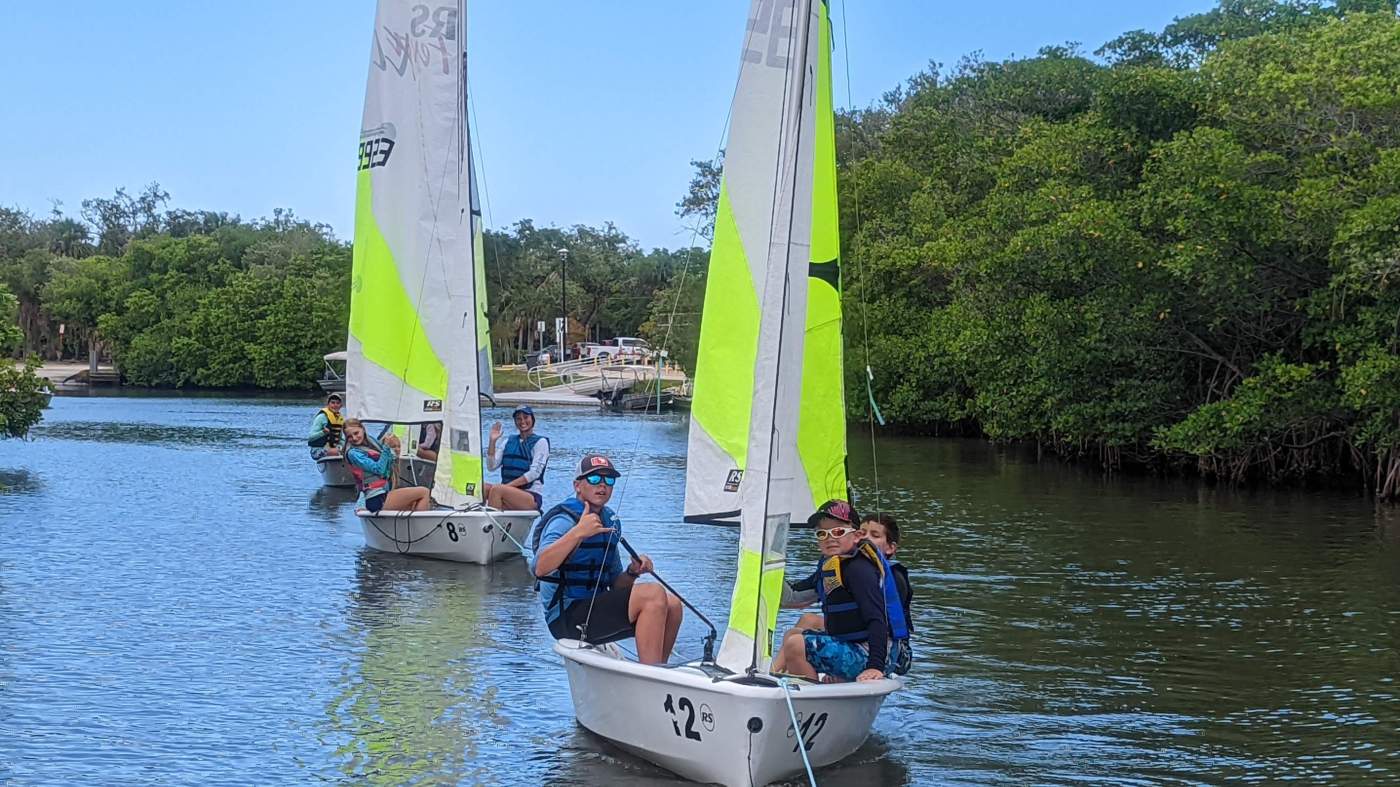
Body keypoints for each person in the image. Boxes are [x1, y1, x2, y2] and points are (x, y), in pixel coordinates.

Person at [529, 454, 683, 665]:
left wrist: (632, 572)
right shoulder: (563, 521)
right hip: (566, 617)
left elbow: (615, 586)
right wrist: (578, 533)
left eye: (608, 480)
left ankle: (658, 671)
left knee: (673, 604)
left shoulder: (609, 522)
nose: (602, 485)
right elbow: (539, 567)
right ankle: (651, 675)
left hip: (594, 610)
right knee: (652, 594)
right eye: (593, 479)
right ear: (577, 485)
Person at [772, 499, 910, 682]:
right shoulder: (832, 566)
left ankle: (814, 700)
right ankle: (771, 677)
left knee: (796, 645)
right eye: (822, 534)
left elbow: (877, 618)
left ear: (856, 536)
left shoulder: (858, 569)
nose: (830, 538)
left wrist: (875, 666)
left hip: (874, 654)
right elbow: (792, 597)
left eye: (838, 532)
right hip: (852, 644)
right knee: (793, 635)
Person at [342, 418, 431, 513]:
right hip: (375, 498)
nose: (354, 438)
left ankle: (413, 527)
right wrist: (386, 447)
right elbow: (379, 469)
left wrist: (393, 451)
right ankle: (420, 526)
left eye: (356, 433)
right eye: (349, 437)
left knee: (414, 503)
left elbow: (387, 463)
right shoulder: (353, 453)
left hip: (383, 494)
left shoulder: (372, 444)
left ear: (363, 429)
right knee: (424, 492)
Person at [484, 405, 548, 511]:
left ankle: (491, 526)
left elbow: (534, 473)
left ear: (532, 419)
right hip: (506, 491)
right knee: (480, 488)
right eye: (518, 418)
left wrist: (507, 487)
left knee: (497, 490)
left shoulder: (541, 443)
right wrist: (492, 441)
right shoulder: (508, 441)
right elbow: (491, 466)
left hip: (530, 495)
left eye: (526, 417)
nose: (522, 421)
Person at [307, 394, 345, 459]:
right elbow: (310, 438)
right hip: (317, 450)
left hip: (333, 448)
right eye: (332, 403)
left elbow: (340, 439)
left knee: (350, 451)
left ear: (341, 405)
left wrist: (347, 446)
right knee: (335, 452)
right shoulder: (321, 417)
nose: (335, 405)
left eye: (338, 403)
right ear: (328, 404)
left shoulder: (340, 419)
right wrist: (323, 432)